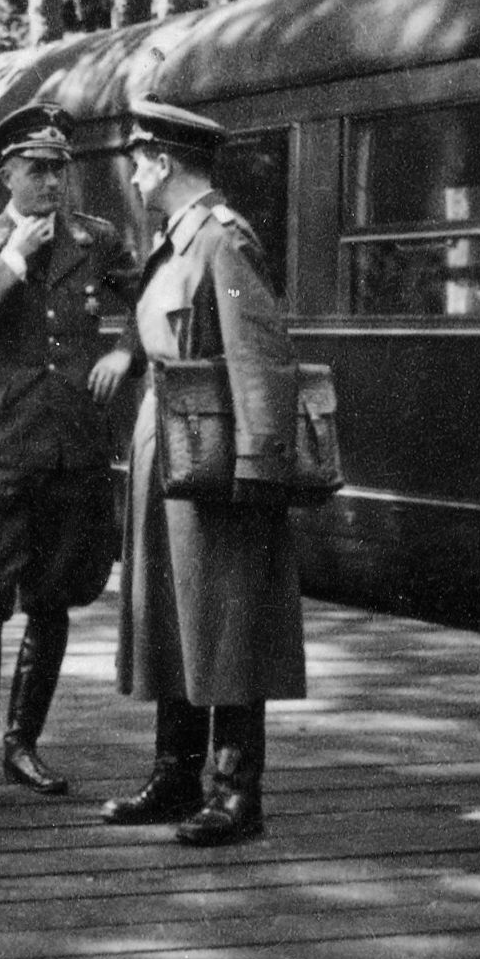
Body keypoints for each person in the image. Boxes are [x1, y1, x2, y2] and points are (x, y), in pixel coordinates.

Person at [104, 97, 306, 846]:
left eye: (136, 159)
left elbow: (260, 358)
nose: (130, 172)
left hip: (215, 453)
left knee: (225, 616)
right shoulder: (178, 240)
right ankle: (174, 774)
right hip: (172, 442)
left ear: (161, 163)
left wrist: (259, 464)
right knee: (172, 611)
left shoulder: (222, 241)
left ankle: (233, 790)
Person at [0, 100, 141, 804]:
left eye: (61, 169)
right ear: (8, 174)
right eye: (38, 170)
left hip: (71, 445)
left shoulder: (97, 238)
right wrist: (14, 260)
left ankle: (22, 746)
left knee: (51, 599)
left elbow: (157, 297)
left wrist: (126, 350)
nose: (53, 183)